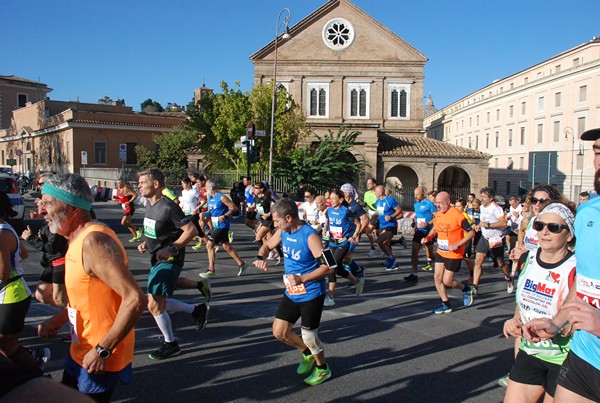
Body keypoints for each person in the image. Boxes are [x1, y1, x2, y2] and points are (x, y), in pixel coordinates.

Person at [36, 173, 146, 401]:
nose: (41, 211)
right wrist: (57, 321)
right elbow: (87, 297)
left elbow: (135, 299)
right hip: (81, 348)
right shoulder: (74, 239)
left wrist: (103, 349)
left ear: (72, 207)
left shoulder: (93, 241)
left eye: (48, 203)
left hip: (99, 355)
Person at [522, 128, 600, 402]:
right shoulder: (590, 212)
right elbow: (586, 278)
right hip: (585, 356)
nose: (599, 161)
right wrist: (556, 323)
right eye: (598, 151)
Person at [253, 198, 333, 385]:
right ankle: (307, 354)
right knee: (279, 332)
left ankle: (323, 369)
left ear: (289, 218)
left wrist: (302, 278)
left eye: (277, 221)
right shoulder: (282, 232)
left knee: (309, 336)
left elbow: (329, 267)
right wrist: (260, 256)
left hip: (311, 292)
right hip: (292, 291)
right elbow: (266, 246)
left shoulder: (310, 236)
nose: (275, 225)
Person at [503, 202, 576, 402]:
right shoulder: (529, 258)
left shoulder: (576, 267)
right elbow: (523, 301)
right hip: (530, 351)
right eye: (539, 225)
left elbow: (583, 315)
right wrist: (516, 320)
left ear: (569, 235)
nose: (544, 232)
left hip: (564, 357)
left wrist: (560, 327)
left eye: (553, 228)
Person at [136, 168, 209, 360]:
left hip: (170, 260)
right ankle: (197, 310)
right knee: (158, 302)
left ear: (156, 184)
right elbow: (155, 228)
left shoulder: (169, 207)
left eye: (143, 182)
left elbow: (191, 230)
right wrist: (146, 241)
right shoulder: (150, 205)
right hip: (157, 258)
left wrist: (173, 248)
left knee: (153, 303)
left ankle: (171, 344)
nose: (139, 185)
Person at [0, 192, 41, 385]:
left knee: (7, 345)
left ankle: (36, 378)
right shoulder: (6, 229)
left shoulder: (1, 233)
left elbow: (2, 272)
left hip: (11, 295)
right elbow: (23, 254)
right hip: (11, 293)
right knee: (7, 346)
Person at [423, 192, 475, 313]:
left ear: (448, 201)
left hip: (454, 253)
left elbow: (471, 233)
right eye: (436, 202)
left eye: (440, 202)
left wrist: (457, 244)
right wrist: (428, 238)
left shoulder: (457, 215)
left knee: (447, 281)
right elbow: (435, 228)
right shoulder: (438, 214)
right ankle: (445, 303)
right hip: (441, 251)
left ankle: (465, 288)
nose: (438, 205)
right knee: (437, 278)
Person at [22, 172, 69, 308]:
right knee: (41, 295)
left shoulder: (59, 209)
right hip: (51, 260)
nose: (39, 186)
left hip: (61, 259)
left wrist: (30, 238)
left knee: (59, 298)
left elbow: (52, 246)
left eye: (42, 183)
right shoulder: (50, 215)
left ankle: (76, 313)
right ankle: (72, 312)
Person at [322, 189, 364, 306]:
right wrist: (325, 229)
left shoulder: (346, 211)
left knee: (331, 268)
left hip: (342, 244)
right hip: (331, 243)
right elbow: (327, 221)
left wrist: (354, 235)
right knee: (339, 269)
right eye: (330, 198)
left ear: (341, 200)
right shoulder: (329, 210)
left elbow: (358, 224)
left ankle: (330, 297)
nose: (331, 201)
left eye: (333, 199)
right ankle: (357, 281)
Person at [199, 180, 247, 278]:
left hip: (223, 226)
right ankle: (241, 263)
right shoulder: (210, 199)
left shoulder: (222, 197)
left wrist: (225, 215)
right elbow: (210, 212)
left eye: (206, 187)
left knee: (209, 245)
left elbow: (234, 208)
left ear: (212, 188)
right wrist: (203, 217)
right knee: (226, 246)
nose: (205, 189)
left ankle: (211, 269)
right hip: (216, 226)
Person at [472, 187, 511, 296]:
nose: (482, 199)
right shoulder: (481, 207)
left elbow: (503, 223)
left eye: (484, 197)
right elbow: (483, 221)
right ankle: (475, 286)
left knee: (501, 263)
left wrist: (488, 225)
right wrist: (479, 225)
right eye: (481, 196)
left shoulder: (496, 208)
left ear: (491, 198)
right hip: (484, 238)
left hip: (496, 240)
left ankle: (509, 278)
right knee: (478, 261)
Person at [405, 186, 436, 282]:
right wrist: (414, 222)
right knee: (414, 252)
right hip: (419, 231)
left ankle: (443, 261)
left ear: (423, 194)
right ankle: (414, 274)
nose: (416, 196)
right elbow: (418, 216)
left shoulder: (429, 204)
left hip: (428, 232)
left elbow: (437, 217)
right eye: (414, 194)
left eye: (417, 194)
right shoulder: (416, 205)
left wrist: (428, 223)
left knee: (430, 255)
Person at [374, 185, 402, 270]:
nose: (375, 193)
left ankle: (391, 259)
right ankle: (393, 261)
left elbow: (399, 210)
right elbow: (379, 211)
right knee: (385, 243)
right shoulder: (378, 201)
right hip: (382, 225)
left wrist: (391, 216)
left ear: (381, 192)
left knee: (379, 241)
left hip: (390, 225)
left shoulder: (390, 200)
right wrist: (373, 215)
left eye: (376, 191)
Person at [363, 178, 379, 257]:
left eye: (369, 183)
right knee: (374, 233)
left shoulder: (378, 193)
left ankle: (374, 249)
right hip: (371, 215)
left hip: (378, 214)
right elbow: (365, 204)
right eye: (367, 183)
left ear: (374, 184)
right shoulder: (366, 193)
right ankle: (374, 249)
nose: (368, 185)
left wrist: (376, 212)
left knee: (370, 231)